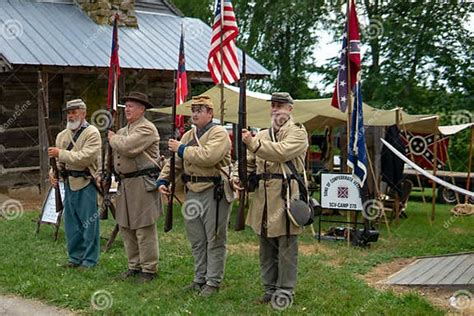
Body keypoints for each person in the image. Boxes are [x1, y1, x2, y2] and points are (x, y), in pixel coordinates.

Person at [233, 92, 308, 306]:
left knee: (286, 247)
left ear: (290, 109)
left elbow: (281, 152)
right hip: (263, 198)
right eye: (273, 105)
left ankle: (285, 291)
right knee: (266, 247)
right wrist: (238, 177)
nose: (276, 109)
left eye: (281, 106)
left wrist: (252, 143)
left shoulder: (298, 132)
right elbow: (248, 162)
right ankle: (269, 288)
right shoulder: (263, 134)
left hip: (286, 195)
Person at [157, 95, 233, 297]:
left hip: (213, 190)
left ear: (210, 113)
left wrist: (181, 149)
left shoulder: (219, 133)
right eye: (194, 110)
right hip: (192, 189)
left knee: (215, 238)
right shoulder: (188, 135)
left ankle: (213, 281)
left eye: (200, 110)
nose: (195, 114)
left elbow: (209, 157)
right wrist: (164, 179)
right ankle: (200, 278)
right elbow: (175, 162)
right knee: (197, 239)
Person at [108, 91, 162, 283]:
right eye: (126, 106)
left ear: (142, 109)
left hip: (142, 183)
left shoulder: (147, 129)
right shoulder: (123, 131)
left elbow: (128, 147)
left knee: (143, 227)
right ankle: (134, 265)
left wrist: (112, 138)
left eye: (131, 106)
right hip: (125, 183)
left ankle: (149, 269)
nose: (127, 109)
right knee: (126, 226)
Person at [48, 99, 101, 268]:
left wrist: (60, 153)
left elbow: (85, 157)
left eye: (74, 112)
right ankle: (75, 258)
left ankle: (90, 260)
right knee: (72, 225)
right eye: (69, 112)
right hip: (69, 183)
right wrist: (53, 174)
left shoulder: (92, 133)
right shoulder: (62, 136)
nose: (71, 116)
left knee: (89, 224)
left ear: (83, 113)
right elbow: (57, 163)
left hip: (86, 182)